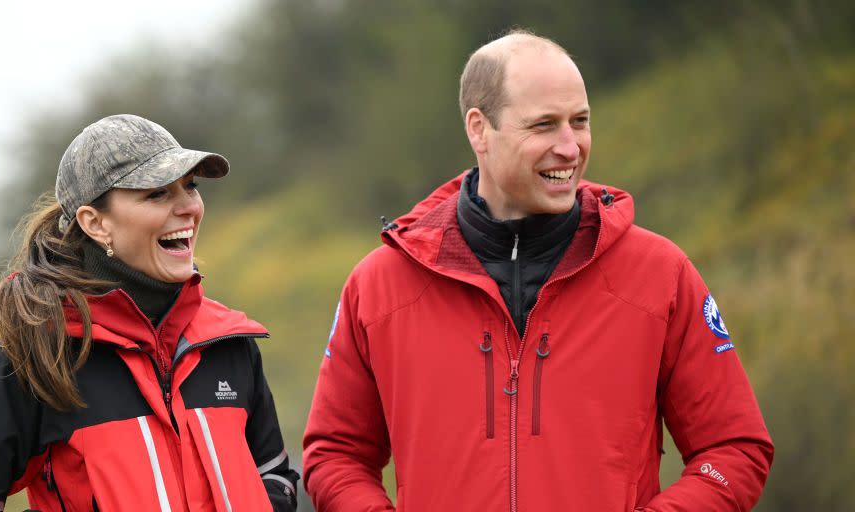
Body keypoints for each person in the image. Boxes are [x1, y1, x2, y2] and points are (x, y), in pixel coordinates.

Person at [302, 30, 773, 511]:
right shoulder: (380, 286)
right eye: (545, 125)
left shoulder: (660, 274)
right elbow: (335, 456)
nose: (570, 148)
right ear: (479, 129)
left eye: (580, 121)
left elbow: (732, 450)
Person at [0, 114, 299, 511]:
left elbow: (273, 477)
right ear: (95, 223)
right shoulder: (33, 356)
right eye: (157, 194)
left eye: (190, 187)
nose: (188, 207)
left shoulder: (228, 342)